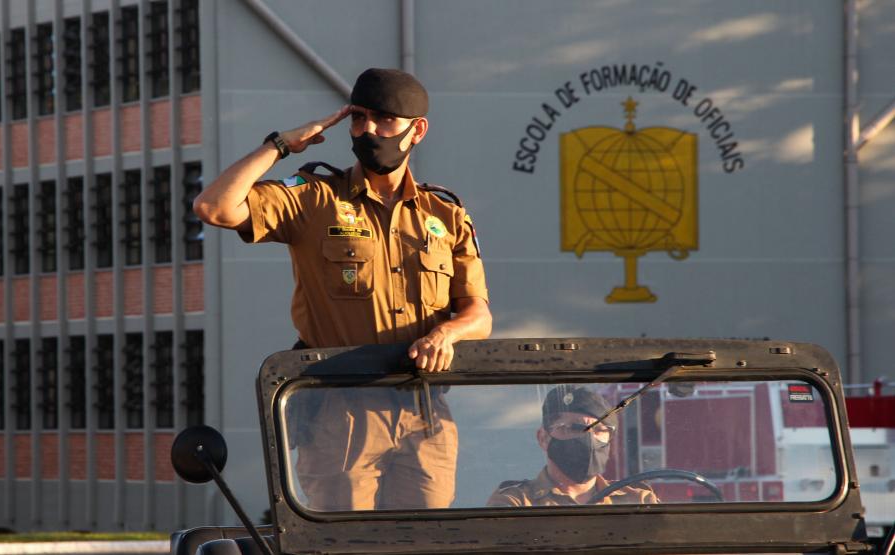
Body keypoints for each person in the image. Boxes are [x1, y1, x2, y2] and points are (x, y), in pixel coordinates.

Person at [193, 68, 491, 511]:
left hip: (424, 412)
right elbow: (214, 207)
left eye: (385, 119)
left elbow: (478, 315)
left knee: (429, 541)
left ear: (417, 130)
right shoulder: (315, 197)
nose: (368, 130)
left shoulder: (444, 215)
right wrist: (281, 145)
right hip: (341, 410)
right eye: (359, 118)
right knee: (345, 541)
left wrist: (446, 334)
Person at [487, 385, 658, 507]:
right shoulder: (516, 502)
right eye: (575, 428)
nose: (589, 439)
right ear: (544, 438)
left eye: (600, 430)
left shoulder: (639, 500)